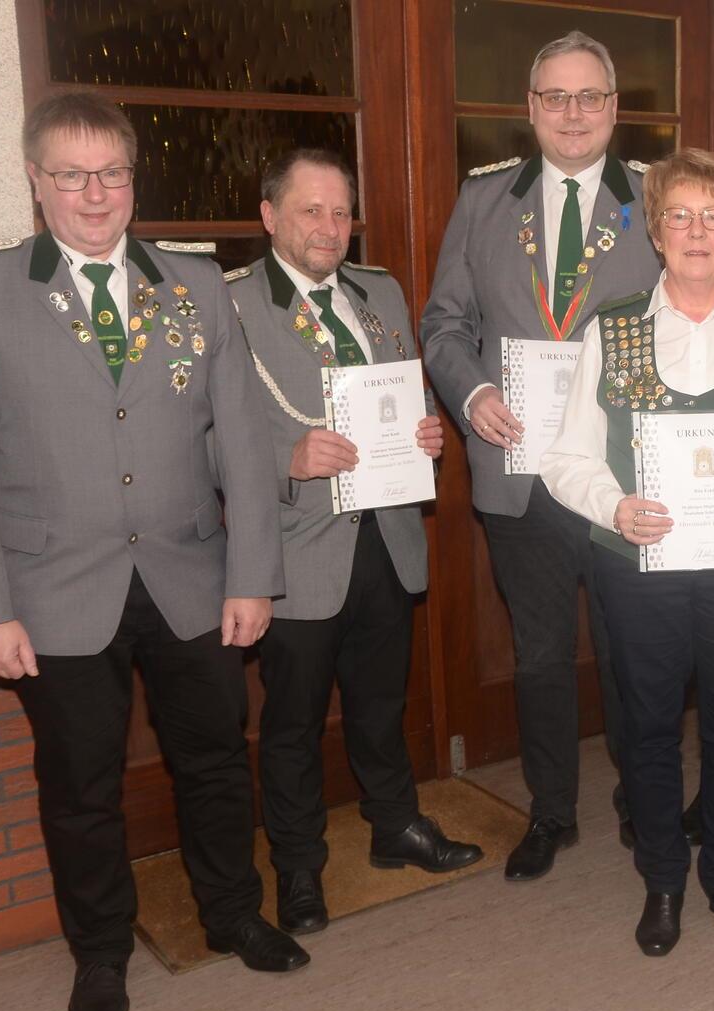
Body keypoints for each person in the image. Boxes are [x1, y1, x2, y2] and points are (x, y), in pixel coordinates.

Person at [0, 91, 305, 1011]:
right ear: (36, 182)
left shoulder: (195, 284)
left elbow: (242, 444)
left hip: (190, 581)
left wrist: (253, 573)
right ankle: (100, 954)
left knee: (215, 762)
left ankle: (232, 913)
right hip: (51, 590)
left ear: (135, 180)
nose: (95, 194)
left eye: (113, 173)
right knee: (82, 786)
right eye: (72, 175)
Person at [541, 148, 714, 956]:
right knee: (650, 725)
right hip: (637, 567)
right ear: (657, 233)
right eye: (679, 216)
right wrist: (615, 505)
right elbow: (568, 458)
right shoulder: (614, 327)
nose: (697, 232)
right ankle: (664, 880)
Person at [421, 31, 661, 879]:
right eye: (555, 98)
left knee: (636, 653)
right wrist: (472, 393)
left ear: (613, 108)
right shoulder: (484, 202)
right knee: (539, 657)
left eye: (589, 97)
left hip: (622, 478)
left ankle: (643, 799)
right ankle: (552, 810)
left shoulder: (659, 202)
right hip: (520, 476)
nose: (572, 114)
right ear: (529, 110)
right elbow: (444, 322)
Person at [232, 148, 483, 937]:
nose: (329, 228)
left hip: (386, 535)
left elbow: (398, 396)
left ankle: (394, 825)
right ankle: (299, 866)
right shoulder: (231, 304)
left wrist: (425, 436)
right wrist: (286, 458)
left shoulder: (379, 290)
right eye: (310, 210)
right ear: (270, 216)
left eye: (341, 212)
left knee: (382, 704)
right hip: (298, 545)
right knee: (293, 722)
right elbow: (202, 432)